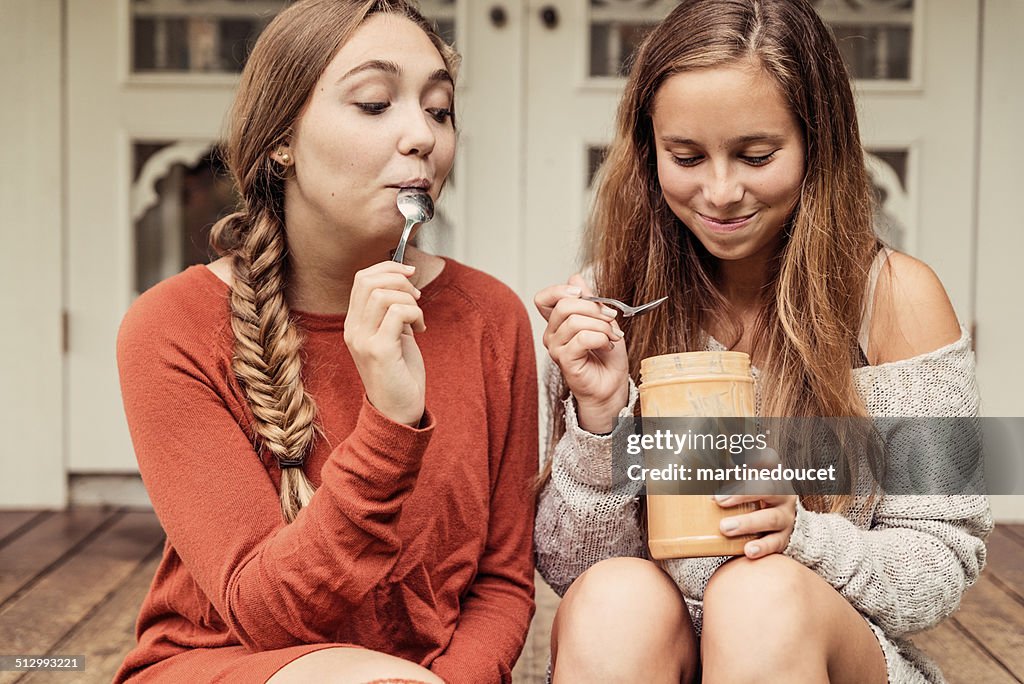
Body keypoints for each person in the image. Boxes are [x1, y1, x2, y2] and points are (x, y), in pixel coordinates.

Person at [533, 0, 991, 682]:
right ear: (648, 147)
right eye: (686, 156)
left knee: (757, 594)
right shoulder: (609, 307)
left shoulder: (895, 299)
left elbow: (942, 559)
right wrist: (600, 422)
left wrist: (801, 539)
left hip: (817, 649)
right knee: (612, 598)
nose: (720, 192)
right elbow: (573, 569)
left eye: (755, 154)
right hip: (666, 655)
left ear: (818, 142)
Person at [114, 1, 538, 682]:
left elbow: (502, 584)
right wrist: (391, 425)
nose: (422, 136)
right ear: (281, 138)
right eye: (375, 103)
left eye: (439, 109)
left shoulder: (493, 317)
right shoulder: (172, 326)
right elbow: (265, 615)